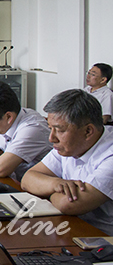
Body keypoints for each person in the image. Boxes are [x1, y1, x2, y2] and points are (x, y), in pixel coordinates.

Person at [21, 89, 113, 235]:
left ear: (88, 131)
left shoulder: (109, 154)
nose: (51, 138)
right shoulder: (69, 145)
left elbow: (68, 204)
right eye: (50, 129)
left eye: (59, 130)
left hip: (103, 239)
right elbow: (27, 179)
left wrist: (47, 192)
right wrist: (56, 184)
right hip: (73, 228)